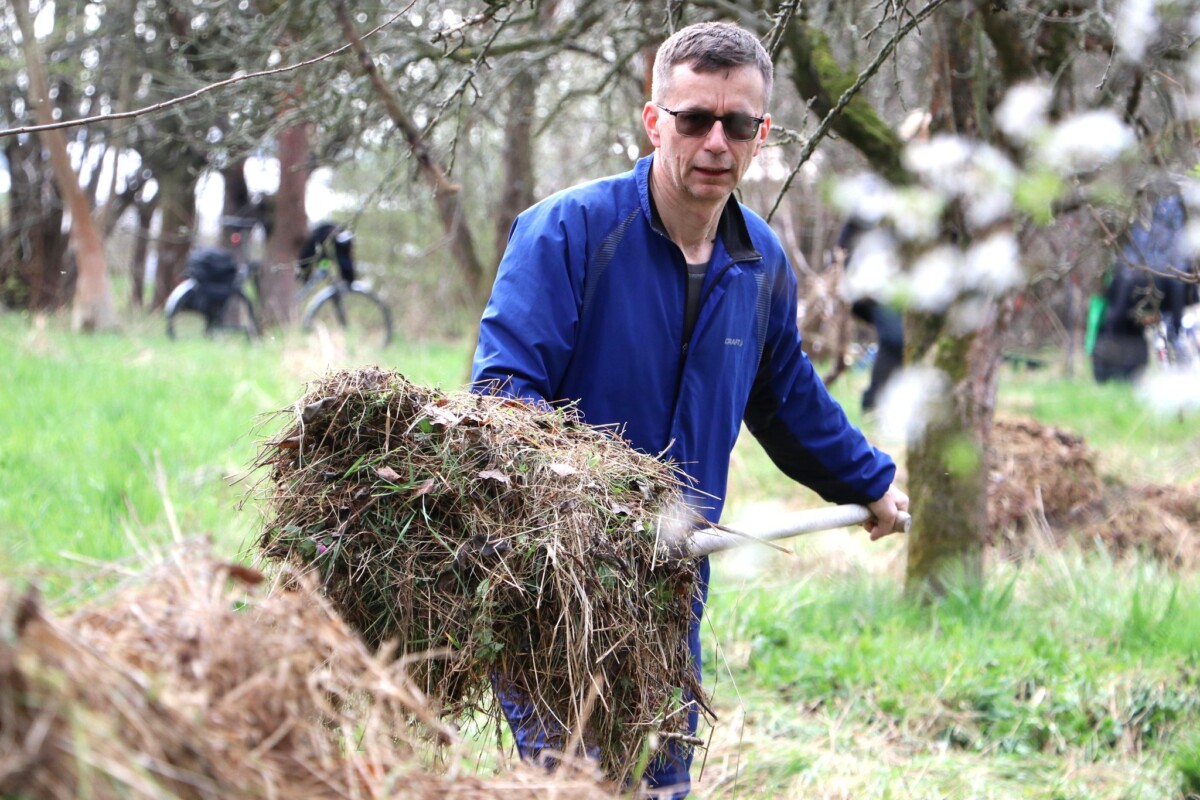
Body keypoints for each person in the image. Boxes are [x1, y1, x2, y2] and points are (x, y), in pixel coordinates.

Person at [471, 21, 907, 799]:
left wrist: (867, 480)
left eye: (737, 124)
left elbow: (786, 398)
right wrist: (596, 512)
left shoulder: (759, 260)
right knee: (574, 784)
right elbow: (504, 402)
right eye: (694, 118)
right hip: (555, 584)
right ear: (653, 121)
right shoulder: (567, 233)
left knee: (663, 783)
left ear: (761, 133)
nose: (715, 141)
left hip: (674, 584)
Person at [298, 220, 356, 284]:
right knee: (322, 257)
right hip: (328, 236)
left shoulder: (314, 240)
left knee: (336, 257)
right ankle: (346, 277)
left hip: (333, 235)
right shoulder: (313, 241)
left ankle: (347, 278)